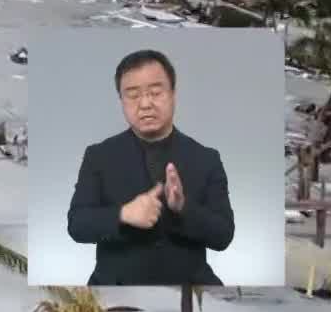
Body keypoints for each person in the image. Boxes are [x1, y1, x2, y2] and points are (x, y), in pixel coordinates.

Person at [67, 49, 233, 285]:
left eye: (155, 92)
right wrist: (123, 214)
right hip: (116, 291)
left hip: (189, 290)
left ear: (173, 94)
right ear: (121, 101)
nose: (145, 104)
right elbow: (77, 225)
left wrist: (183, 209)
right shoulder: (99, 156)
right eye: (133, 95)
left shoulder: (206, 158)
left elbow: (224, 236)